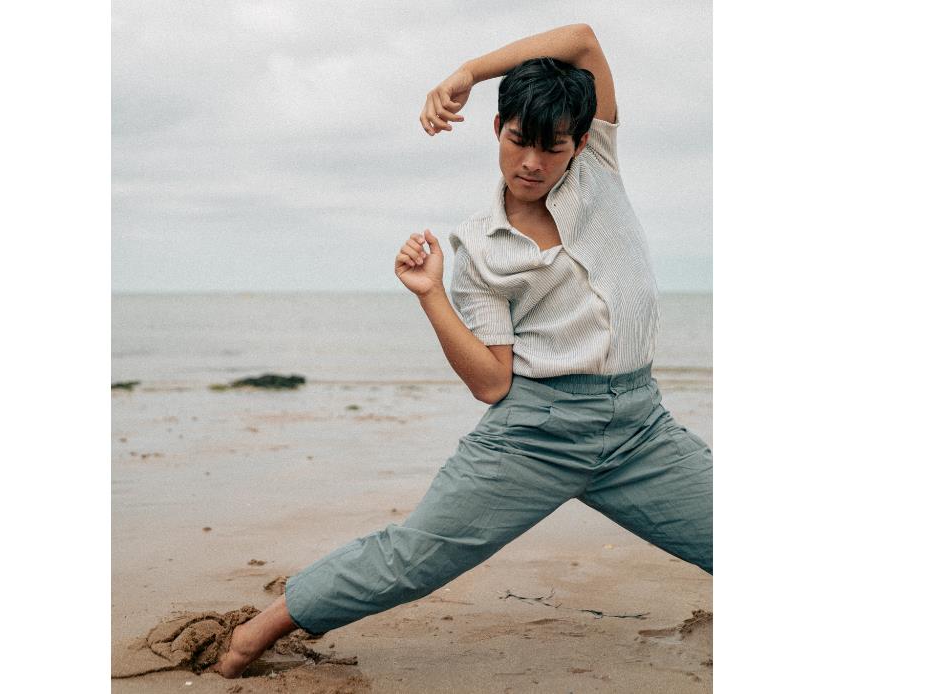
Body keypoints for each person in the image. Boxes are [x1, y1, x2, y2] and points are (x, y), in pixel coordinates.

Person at [212, 23, 712, 679]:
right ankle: (253, 635)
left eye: (551, 147)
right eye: (517, 140)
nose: (531, 161)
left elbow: (584, 40)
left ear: (580, 144)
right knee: (413, 558)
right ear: (498, 130)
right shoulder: (479, 248)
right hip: (534, 433)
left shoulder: (599, 172)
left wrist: (467, 73)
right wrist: (431, 294)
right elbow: (490, 384)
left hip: (639, 429)